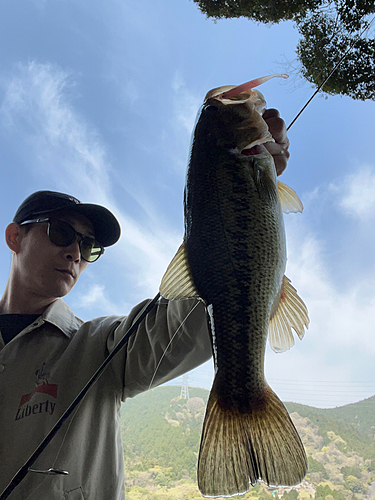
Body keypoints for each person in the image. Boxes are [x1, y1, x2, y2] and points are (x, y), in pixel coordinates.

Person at [0, 109, 289, 499]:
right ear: (15, 237)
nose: (74, 252)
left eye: (88, 246)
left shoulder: (103, 345)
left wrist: (235, 206)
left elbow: (190, 320)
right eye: (61, 232)